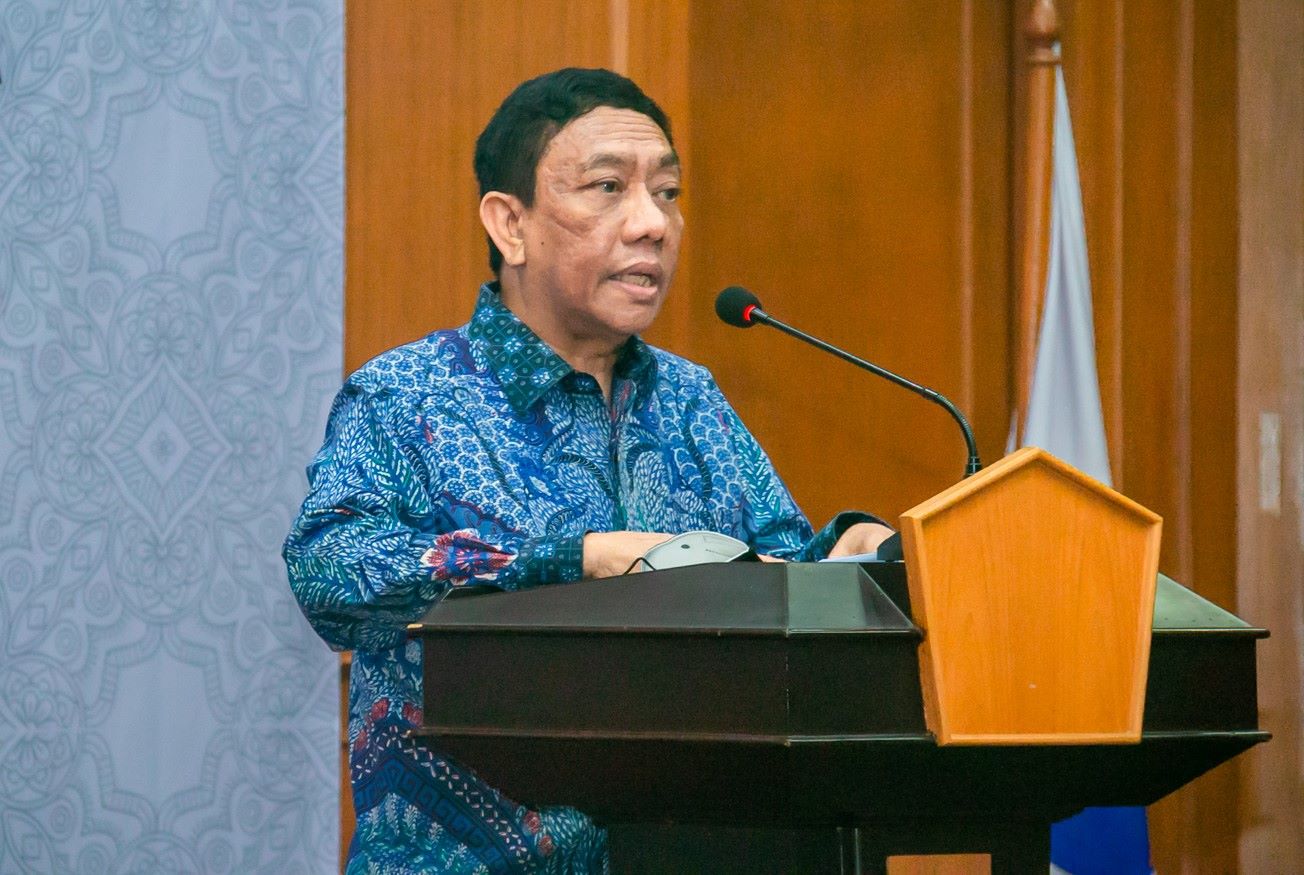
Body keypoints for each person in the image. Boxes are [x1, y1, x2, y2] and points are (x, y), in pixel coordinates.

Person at [284, 67, 892, 874]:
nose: (653, 224)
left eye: (667, 192)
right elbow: (327, 571)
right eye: (608, 188)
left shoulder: (689, 398)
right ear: (511, 224)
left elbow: (774, 572)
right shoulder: (411, 396)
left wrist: (853, 554)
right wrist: (569, 563)